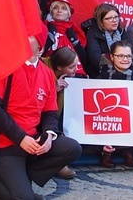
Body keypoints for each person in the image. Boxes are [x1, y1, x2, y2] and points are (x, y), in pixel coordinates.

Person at [0, 36, 82, 200]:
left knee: (72, 148)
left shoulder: (46, 73)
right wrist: (21, 138)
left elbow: (50, 113)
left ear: (40, 49)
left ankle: (21, 178)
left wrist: (49, 134)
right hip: (4, 143)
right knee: (24, 198)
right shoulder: (2, 66)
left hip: (33, 139)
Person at [97, 41, 133, 169]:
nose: (125, 59)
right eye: (120, 56)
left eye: (128, 56)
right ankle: (105, 152)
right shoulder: (101, 77)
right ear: (112, 57)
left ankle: (128, 150)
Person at [46, 47, 82, 180]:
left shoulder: (69, 77)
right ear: (59, 67)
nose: (76, 70)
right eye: (72, 67)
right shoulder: (43, 72)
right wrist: (53, 89)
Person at [84, 3, 133, 78]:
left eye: (116, 17)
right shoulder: (93, 32)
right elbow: (95, 57)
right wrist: (118, 69)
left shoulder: (121, 31)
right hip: (101, 73)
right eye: (109, 18)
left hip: (125, 71)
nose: (114, 20)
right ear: (101, 21)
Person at [44, 0, 89, 77]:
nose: (59, 11)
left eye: (64, 8)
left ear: (69, 14)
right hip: (50, 73)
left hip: (75, 76)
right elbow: (39, 52)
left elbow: (84, 59)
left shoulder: (74, 31)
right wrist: (50, 37)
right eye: (56, 8)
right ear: (51, 11)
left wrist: (75, 41)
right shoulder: (44, 28)